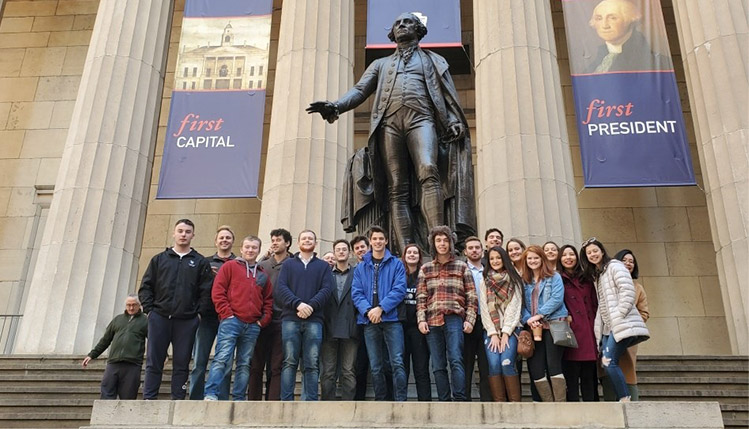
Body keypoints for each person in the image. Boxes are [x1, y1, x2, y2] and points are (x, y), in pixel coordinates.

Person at [308, 13, 476, 253]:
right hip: (389, 124)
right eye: (397, 23)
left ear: (418, 30)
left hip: (422, 118)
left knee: (429, 169)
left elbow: (446, 94)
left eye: (407, 22)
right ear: (392, 33)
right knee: (397, 187)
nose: (402, 25)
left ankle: (439, 241)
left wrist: (453, 120)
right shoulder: (380, 64)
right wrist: (336, 106)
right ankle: (408, 249)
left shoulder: (434, 61)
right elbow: (359, 90)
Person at [138, 219, 213, 400]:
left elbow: (206, 291)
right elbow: (146, 286)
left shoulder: (200, 262)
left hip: (186, 321)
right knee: (154, 361)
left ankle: (178, 398)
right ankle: (149, 398)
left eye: (187, 231)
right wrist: (150, 310)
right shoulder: (159, 259)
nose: (183, 234)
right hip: (159, 317)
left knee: (181, 362)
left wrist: (199, 314)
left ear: (193, 235)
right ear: (174, 233)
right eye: (180, 231)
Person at [204, 235, 274, 401]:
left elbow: (268, 300)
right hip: (231, 321)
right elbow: (218, 291)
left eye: (254, 248)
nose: (250, 250)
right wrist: (227, 314)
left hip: (252, 325)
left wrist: (262, 320)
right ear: (241, 249)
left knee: (244, 364)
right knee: (222, 359)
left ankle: (238, 397)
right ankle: (211, 393)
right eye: (247, 247)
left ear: (258, 250)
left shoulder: (263, 274)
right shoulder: (229, 267)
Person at [580, 238, 649, 402]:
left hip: (618, 324)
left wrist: (617, 316)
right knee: (607, 362)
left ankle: (625, 397)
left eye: (595, 251)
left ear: (602, 251)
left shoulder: (614, 266)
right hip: (608, 327)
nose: (593, 254)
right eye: (589, 253)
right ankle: (623, 397)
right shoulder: (599, 274)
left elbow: (628, 292)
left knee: (609, 361)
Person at [417, 225, 478, 401]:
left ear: (450, 243)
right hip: (432, 319)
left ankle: (459, 399)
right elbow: (421, 297)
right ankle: (444, 401)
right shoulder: (426, 269)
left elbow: (471, 296)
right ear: (433, 244)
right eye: (438, 240)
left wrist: (470, 320)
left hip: (454, 318)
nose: (442, 244)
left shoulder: (461, 267)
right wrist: (421, 320)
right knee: (437, 364)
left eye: (445, 240)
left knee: (456, 360)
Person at [275, 229, 335, 401]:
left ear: (315, 243)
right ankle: (286, 401)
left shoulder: (323, 266)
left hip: (315, 320)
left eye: (310, 238)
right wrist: (298, 304)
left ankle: (310, 401)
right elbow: (282, 288)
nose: (307, 240)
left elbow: (326, 289)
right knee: (289, 362)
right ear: (298, 242)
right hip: (290, 319)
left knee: (312, 363)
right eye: (304, 238)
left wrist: (311, 306)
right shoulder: (288, 264)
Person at [351, 226, 408, 401]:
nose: (377, 242)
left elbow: (400, 289)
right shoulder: (361, 267)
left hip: (392, 319)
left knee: (397, 362)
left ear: (386, 241)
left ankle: (400, 401)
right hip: (369, 321)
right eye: (374, 239)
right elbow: (356, 292)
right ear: (370, 242)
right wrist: (369, 311)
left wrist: (381, 308)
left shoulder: (396, 263)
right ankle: (381, 400)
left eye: (380, 238)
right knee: (375, 365)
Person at [189, 225, 236, 400]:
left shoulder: (238, 263)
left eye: (228, 238)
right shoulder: (204, 262)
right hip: (207, 317)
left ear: (233, 241)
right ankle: (195, 398)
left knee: (226, 362)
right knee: (199, 362)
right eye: (221, 237)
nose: (224, 240)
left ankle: (221, 398)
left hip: (229, 318)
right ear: (215, 241)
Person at [520, 245, 569, 402]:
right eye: (530, 258)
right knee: (536, 368)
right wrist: (529, 319)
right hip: (534, 329)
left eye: (536, 258)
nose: (533, 261)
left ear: (542, 259)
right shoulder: (524, 281)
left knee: (553, 365)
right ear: (525, 261)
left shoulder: (554, 276)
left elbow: (557, 299)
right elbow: (520, 304)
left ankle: (560, 404)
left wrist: (539, 315)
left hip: (553, 325)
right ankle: (548, 404)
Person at [249, 228, 292, 400]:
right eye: (272, 240)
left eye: (278, 240)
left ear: (287, 243)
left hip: (283, 321)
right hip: (261, 320)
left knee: (277, 366)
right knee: (256, 366)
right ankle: (253, 402)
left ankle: (273, 403)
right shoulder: (263, 265)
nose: (274, 242)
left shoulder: (294, 264)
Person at [82, 294, 148, 399]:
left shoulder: (145, 321)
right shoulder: (118, 320)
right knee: (106, 393)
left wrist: (163, 354)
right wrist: (92, 355)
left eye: (134, 305)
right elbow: (105, 340)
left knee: (128, 398)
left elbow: (154, 340)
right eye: (128, 305)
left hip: (132, 364)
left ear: (139, 305)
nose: (131, 308)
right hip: (113, 363)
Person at [479, 247, 523, 402]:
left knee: (506, 363)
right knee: (494, 365)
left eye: (498, 258)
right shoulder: (484, 281)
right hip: (491, 331)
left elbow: (514, 307)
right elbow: (484, 309)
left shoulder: (514, 279)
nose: (495, 261)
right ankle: (500, 405)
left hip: (511, 330)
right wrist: (493, 333)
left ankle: (515, 405)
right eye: (492, 259)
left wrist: (505, 333)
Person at [558, 244, 598, 402]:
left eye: (571, 254)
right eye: (565, 255)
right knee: (571, 379)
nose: (568, 258)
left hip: (588, 331)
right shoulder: (557, 278)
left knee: (589, 379)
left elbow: (594, 304)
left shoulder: (587, 278)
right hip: (570, 333)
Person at [585, 0, 672, 73]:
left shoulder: (657, 63)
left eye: (613, 18)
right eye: (599, 18)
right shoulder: (590, 68)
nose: (605, 25)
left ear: (629, 20)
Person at [609, 249, 650, 401]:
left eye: (631, 261)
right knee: (608, 368)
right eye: (624, 260)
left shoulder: (638, 287)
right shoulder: (607, 284)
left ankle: (632, 404)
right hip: (608, 335)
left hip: (628, 337)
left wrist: (627, 322)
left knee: (628, 373)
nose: (628, 263)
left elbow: (644, 313)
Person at [320, 239, 358, 400]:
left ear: (349, 253)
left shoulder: (358, 273)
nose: (341, 252)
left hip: (350, 325)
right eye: (338, 249)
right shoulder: (325, 274)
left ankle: (349, 405)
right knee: (328, 370)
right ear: (334, 254)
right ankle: (327, 404)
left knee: (348, 369)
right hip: (330, 325)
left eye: (344, 249)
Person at [401, 243, 432, 401]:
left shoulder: (424, 274)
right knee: (402, 368)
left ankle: (425, 402)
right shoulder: (399, 275)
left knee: (421, 368)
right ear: (404, 256)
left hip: (419, 328)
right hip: (401, 327)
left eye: (415, 253)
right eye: (409, 252)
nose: (412, 255)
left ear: (420, 256)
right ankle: (401, 401)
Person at [462, 236, 491, 401]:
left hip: (487, 322)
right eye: (470, 248)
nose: (474, 250)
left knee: (486, 365)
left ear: (482, 250)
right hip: (467, 322)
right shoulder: (461, 269)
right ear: (465, 252)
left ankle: (487, 400)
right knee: (465, 364)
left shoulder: (490, 269)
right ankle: (464, 400)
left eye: (477, 248)